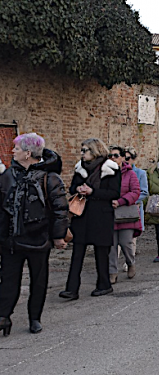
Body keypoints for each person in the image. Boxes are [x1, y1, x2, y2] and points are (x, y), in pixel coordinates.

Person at [0, 133, 68, 335]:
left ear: (28, 153)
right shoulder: (8, 176)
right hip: (11, 239)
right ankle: (3, 316)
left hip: (39, 238)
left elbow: (60, 210)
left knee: (38, 280)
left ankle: (35, 318)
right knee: (8, 279)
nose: (13, 152)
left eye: (17, 149)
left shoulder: (49, 177)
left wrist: (58, 236)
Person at [60, 138, 120, 301]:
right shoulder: (80, 168)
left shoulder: (111, 168)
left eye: (85, 150)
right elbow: (72, 187)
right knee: (77, 252)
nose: (82, 153)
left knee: (101, 253)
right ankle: (71, 289)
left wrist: (93, 192)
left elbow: (114, 192)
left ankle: (104, 284)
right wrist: (78, 189)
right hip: (83, 214)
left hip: (101, 215)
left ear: (94, 151)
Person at [108, 146, 141, 284]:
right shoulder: (105, 173)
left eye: (116, 155)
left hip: (125, 213)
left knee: (126, 242)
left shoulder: (130, 173)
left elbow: (135, 191)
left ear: (122, 157)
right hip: (109, 213)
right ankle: (112, 272)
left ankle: (130, 262)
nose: (113, 158)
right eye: (110, 156)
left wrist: (120, 201)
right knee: (111, 245)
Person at [124, 147, 150, 256]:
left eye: (128, 158)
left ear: (133, 159)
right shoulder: (115, 173)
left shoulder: (140, 173)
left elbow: (144, 192)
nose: (125, 160)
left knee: (132, 238)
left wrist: (128, 200)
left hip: (134, 207)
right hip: (119, 208)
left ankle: (129, 262)